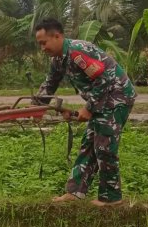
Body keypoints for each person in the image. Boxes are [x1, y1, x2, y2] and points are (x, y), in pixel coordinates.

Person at [34, 18, 136, 206]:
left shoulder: (77, 53)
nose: (42, 48)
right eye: (39, 44)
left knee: (104, 147)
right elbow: (50, 84)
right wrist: (35, 106)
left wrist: (88, 109)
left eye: (44, 43)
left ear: (57, 36)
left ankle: (111, 199)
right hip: (101, 99)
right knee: (88, 146)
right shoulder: (58, 59)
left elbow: (104, 79)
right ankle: (75, 193)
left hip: (116, 97)